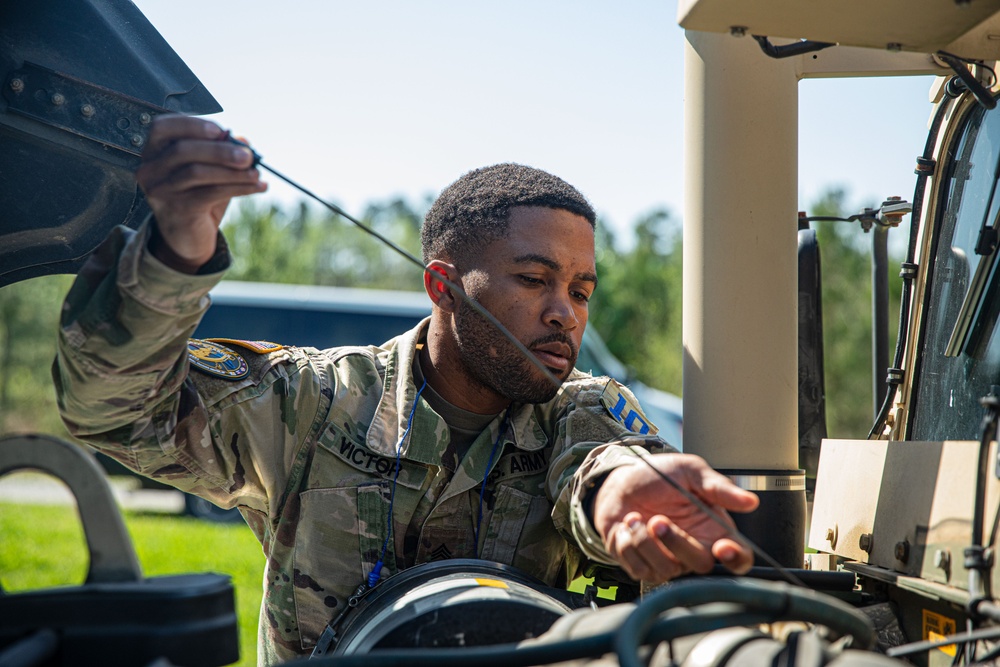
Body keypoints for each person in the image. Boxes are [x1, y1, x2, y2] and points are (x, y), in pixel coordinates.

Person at [53, 115, 759, 665]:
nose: (564, 312)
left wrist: (622, 493)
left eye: (581, 289)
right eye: (534, 279)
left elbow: (603, 460)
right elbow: (113, 411)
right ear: (442, 285)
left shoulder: (579, 409)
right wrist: (178, 249)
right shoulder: (316, 401)